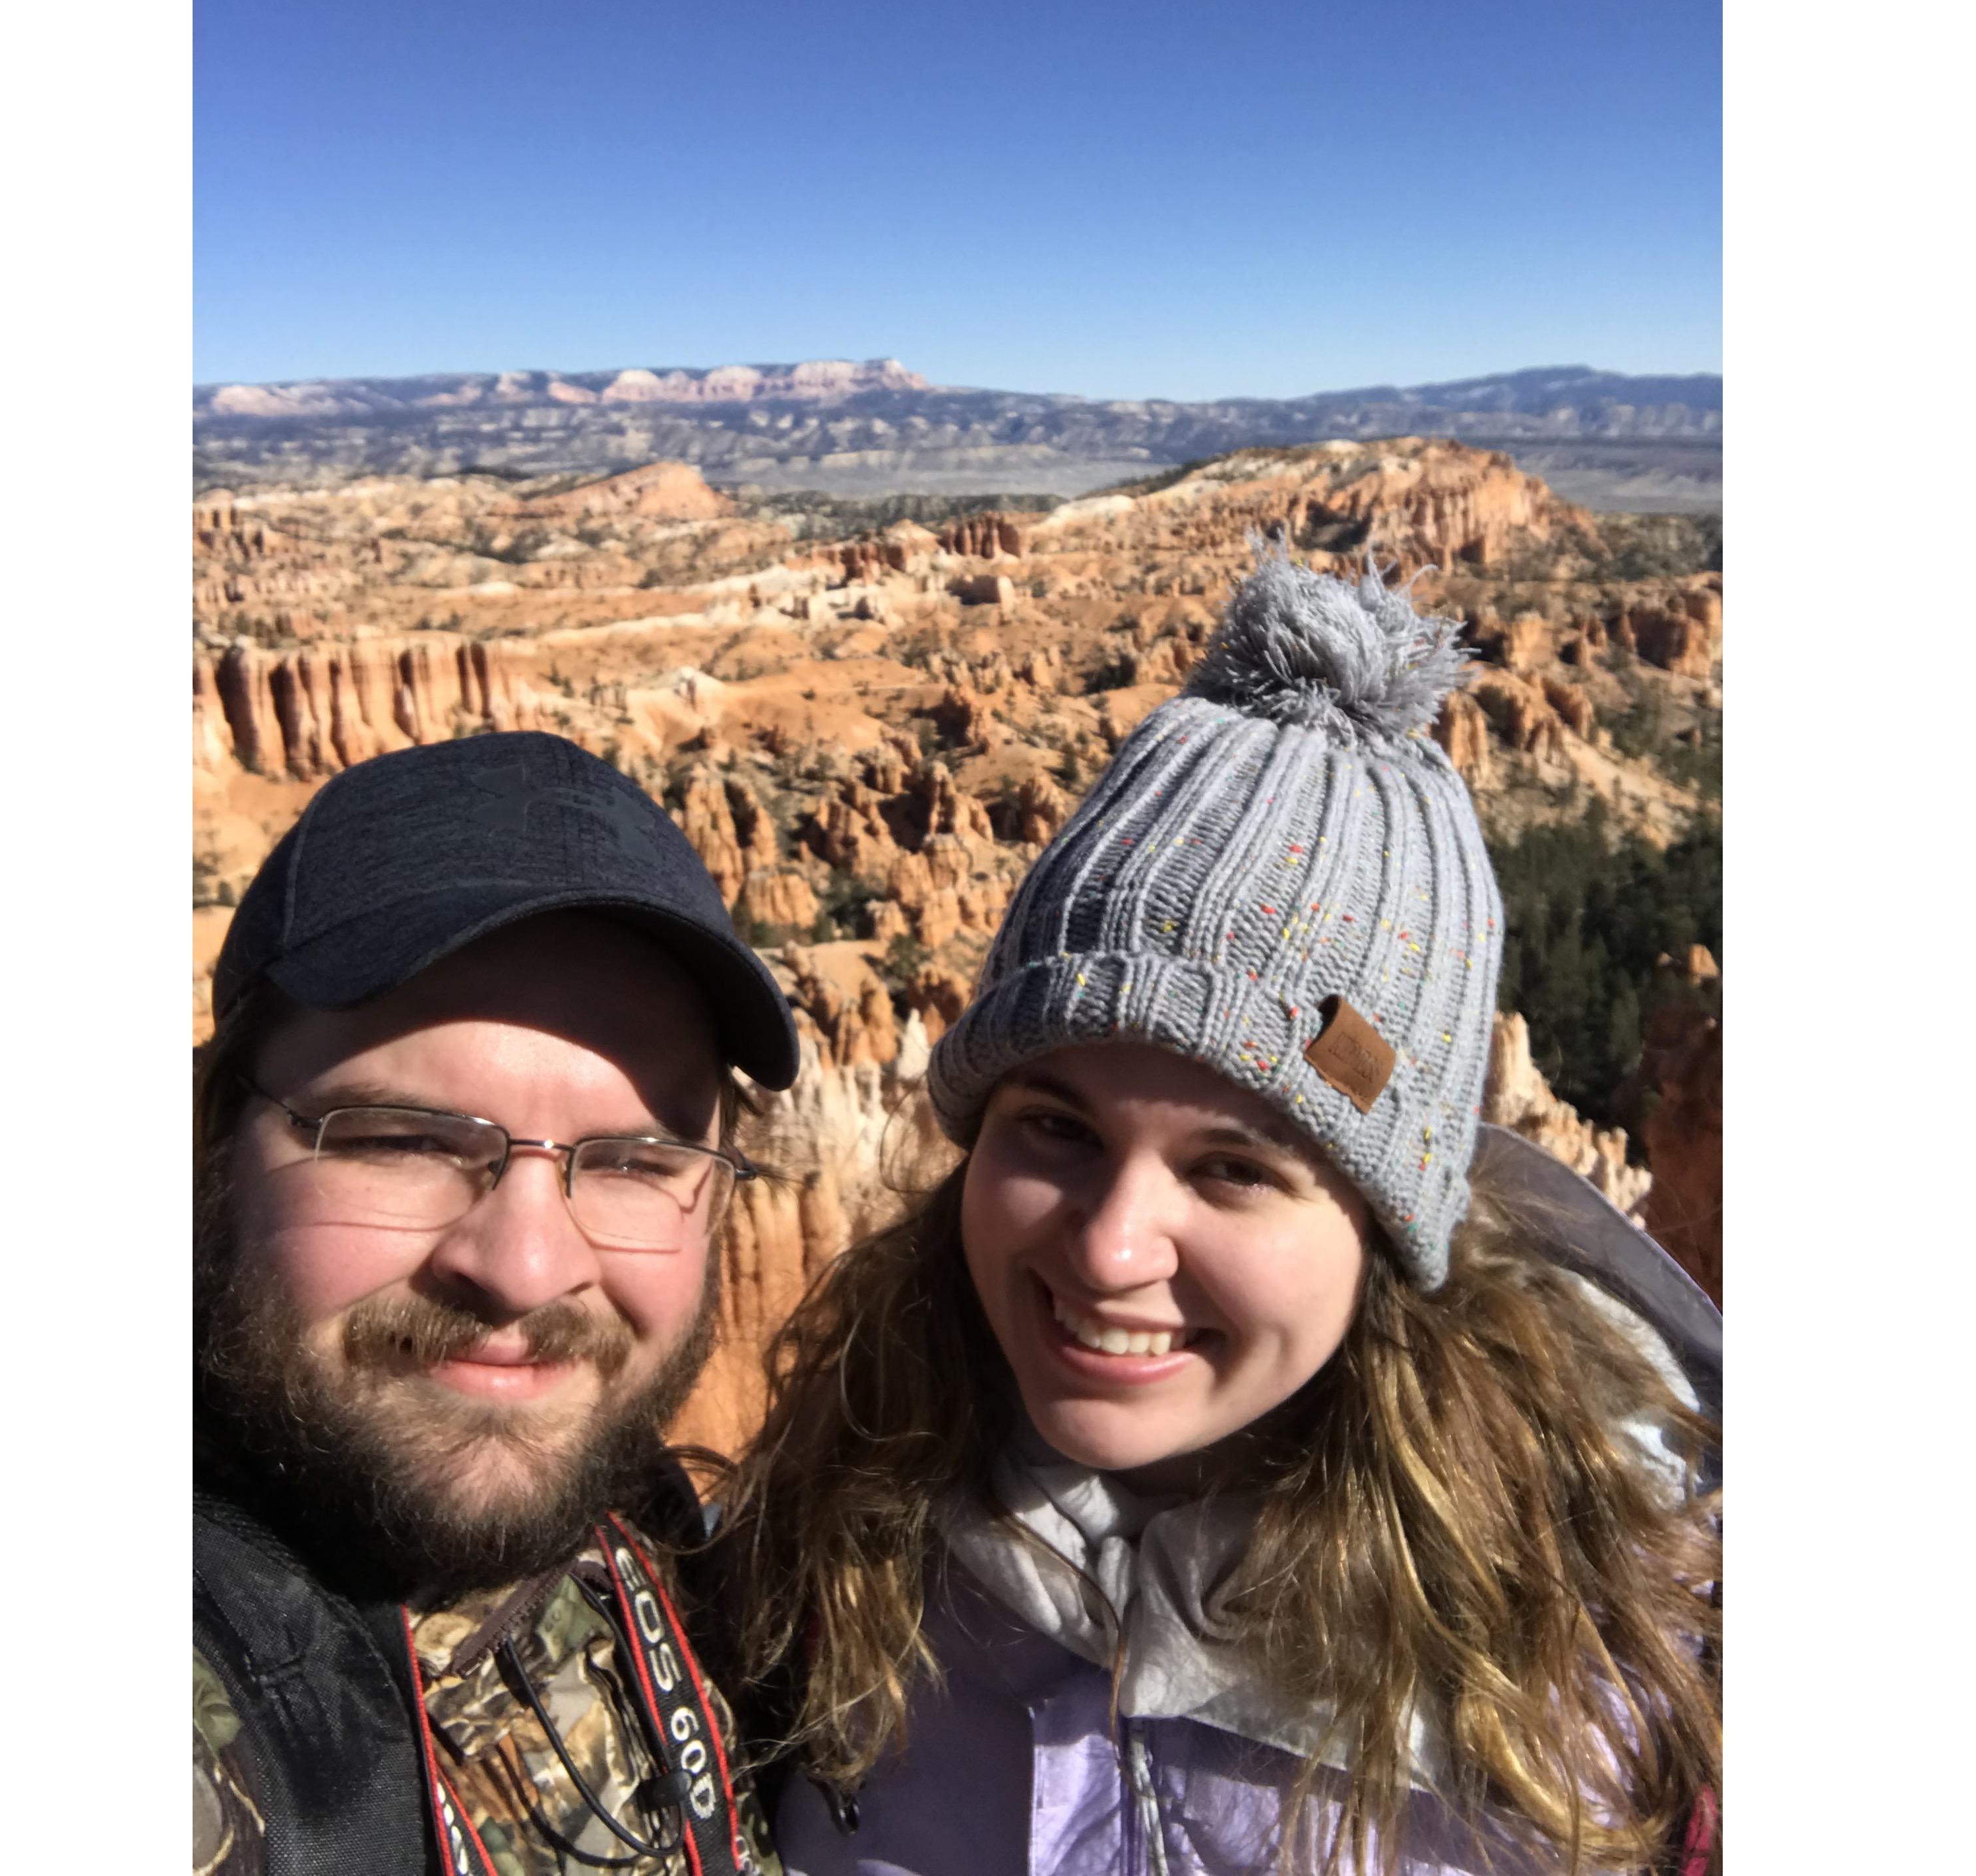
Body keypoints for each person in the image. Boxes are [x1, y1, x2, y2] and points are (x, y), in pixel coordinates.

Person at [710, 555, 1723, 1876]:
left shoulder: (1615, 1678)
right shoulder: (824, 1544)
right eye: (1056, 1127)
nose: (1108, 1245)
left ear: (1383, 1223)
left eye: (1235, 1167)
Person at [194, 730, 801, 1876]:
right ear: (208, 1146)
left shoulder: (668, 1544)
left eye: (633, 1160)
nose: (524, 1268)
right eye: (401, 1140)